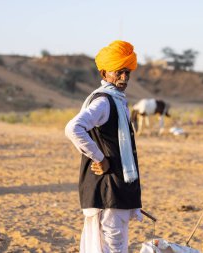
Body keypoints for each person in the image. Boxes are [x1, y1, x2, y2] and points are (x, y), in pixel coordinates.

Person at [65, 40, 142, 253]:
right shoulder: (104, 102)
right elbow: (74, 128)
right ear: (104, 73)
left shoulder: (118, 101)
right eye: (119, 72)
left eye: (127, 72)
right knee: (113, 246)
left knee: (113, 245)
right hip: (108, 190)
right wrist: (99, 158)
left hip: (117, 186)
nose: (124, 78)